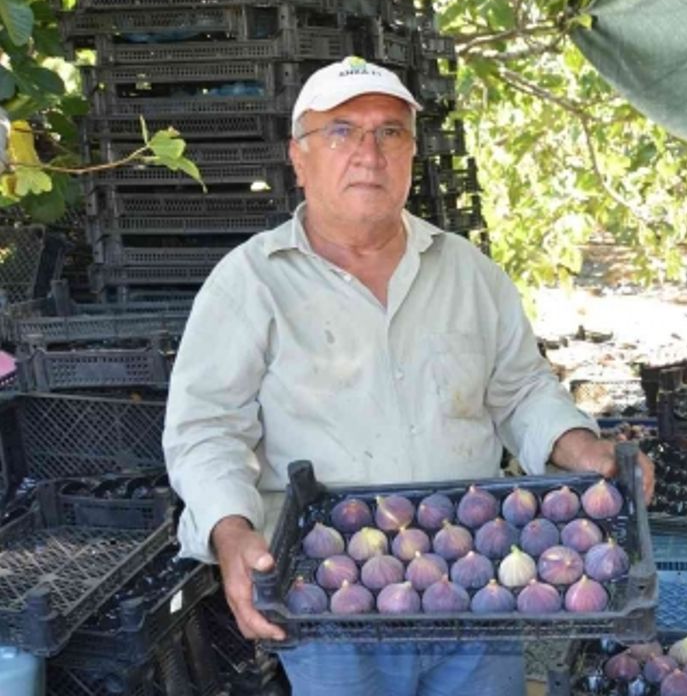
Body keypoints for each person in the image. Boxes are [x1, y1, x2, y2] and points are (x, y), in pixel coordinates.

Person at [163, 56, 654, 696]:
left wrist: (578, 444)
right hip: (331, 592)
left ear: (412, 153)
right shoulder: (249, 284)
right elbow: (205, 431)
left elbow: (521, 389)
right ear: (299, 156)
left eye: (389, 132)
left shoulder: (468, 273)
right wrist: (230, 532)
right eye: (341, 131)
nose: (368, 152)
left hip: (474, 578)